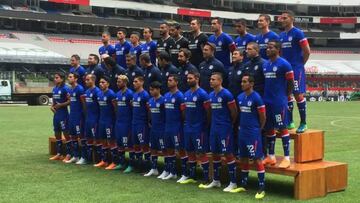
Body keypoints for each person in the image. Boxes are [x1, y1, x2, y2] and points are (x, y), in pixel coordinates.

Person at [230, 74, 266, 200]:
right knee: (244, 158)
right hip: (242, 133)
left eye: (245, 82)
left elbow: (263, 117)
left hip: (253, 133)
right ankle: (244, 185)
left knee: (257, 159)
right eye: (242, 82)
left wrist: (257, 129)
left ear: (251, 84)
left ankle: (261, 188)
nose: (242, 84)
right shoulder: (239, 97)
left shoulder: (257, 98)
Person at [200, 72, 238, 191]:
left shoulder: (227, 94)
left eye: (213, 79)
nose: (211, 81)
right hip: (214, 129)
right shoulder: (210, 95)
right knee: (215, 153)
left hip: (224, 128)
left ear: (220, 81)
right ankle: (216, 180)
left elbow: (234, 112)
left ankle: (233, 182)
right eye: (210, 79)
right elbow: (210, 112)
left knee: (228, 154)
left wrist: (229, 123)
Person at [262, 40, 294, 169]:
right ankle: (271, 156)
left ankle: (287, 158)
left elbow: (291, 82)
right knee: (269, 128)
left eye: (271, 47)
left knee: (282, 128)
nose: (268, 49)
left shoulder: (284, 64)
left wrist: (285, 96)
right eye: (267, 47)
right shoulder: (265, 64)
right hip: (267, 101)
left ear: (278, 49)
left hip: (278, 102)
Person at [279, 10, 311, 133]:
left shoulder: (298, 33)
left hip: (296, 68)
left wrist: (300, 64)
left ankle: (303, 123)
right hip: (285, 70)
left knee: (298, 95)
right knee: (287, 95)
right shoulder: (281, 36)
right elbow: (280, 53)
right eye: (281, 18)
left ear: (292, 19)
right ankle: (290, 121)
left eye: (285, 18)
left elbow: (307, 51)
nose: (282, 20)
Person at [179, 71, 211, 185]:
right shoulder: (186, 94)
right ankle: (192, 176)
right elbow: (183, 111)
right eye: (187, 79)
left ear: (197, 79)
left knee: (201, 152)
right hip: (188, 127)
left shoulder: (203, 94)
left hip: (199, 128)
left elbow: (208, 111)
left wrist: (204, 124)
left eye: (190, 78)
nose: (188, 80)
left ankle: (207, 178)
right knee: (190, 151)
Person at [159, 74, 186, 180]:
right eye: (168, 80)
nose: (168, 82)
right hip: (167, 126)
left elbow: (184, 113)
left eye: (170, 80)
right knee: (169, 149)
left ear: (176, 82)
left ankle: (185, 174)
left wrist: (181, 124)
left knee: (180, 150)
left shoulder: (180, 96)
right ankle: (172, 172)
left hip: (177, 127)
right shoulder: (166, 95)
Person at [93, 76, 117, 169]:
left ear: (108, 84)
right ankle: (105, 161)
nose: (101, 84)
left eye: (103, 82)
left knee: (111, 142)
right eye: (100, 82)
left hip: (109, 121)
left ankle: (114, 162)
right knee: (103, 141)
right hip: (101, 120)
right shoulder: (99, 94)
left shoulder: (111, 94)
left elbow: (115, 108)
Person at [79, 74, 101, 165]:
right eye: (85, 80)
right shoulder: (87, 91)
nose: (86, 81)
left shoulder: (97, 91)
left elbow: (100, 107)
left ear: (93, 80)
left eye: (88, 80)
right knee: (87, 139)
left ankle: (98, 159)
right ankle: (86, 158)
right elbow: (85, 106)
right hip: (88, 119)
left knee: (96, 139)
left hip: (95, 119)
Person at [144, 81, 165, 177]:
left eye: (152, 90)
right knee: (153, 148)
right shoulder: (150, 101)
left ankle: (167, 170)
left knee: (164, 149)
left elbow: (166, 115)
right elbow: (150, 113)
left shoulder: (163, 101)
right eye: (150, 90)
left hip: (162, 129)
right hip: (153, 128)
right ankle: (154, 168)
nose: (151, 92)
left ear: (158, 89)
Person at [114, 75, 134, 172]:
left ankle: (131, 165)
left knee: (129, 144)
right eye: (117, 81)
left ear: (125, 83)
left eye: (119, 82)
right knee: (120, 143)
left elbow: (133, 108)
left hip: (127, 122)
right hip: (119, 122)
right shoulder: (117, 94)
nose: (118, 83)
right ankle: (121, 163)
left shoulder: (130, 94)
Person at [64, 73, 85, 164]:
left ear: (76, 79)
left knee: (80, 136)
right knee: (72, 136)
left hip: (78, 116)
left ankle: (83, 157)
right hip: (71, 115)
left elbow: (83, 103)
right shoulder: (70, 89)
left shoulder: (80, 89)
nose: (69, 78)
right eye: (68, 77)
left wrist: (83, 115)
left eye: (71, 77)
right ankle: (76, 156)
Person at [49, 72, 71, 161]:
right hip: (56, 114)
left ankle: (69, 154)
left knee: (66, 133)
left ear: (62, 79)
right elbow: (54, 101)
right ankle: (59, 154)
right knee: (57, 133)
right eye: (55, 77)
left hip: (63, 114)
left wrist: (61, 105)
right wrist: (52, 106)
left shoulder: (66, 88)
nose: (55, 79)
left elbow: (70, 101)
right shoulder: (54, 89)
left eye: (57, 77)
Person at [131, 76, 151, 172]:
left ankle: (147, 167)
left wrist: (148, 121)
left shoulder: (145, 95)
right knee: (136, 145)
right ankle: (139, 165)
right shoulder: (134, 94)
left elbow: (149, 110)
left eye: (136, 81)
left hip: (142, 124)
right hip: (134, 123)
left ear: (142, 82)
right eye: (133, 81)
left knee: (144, 145)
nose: (134, 83)